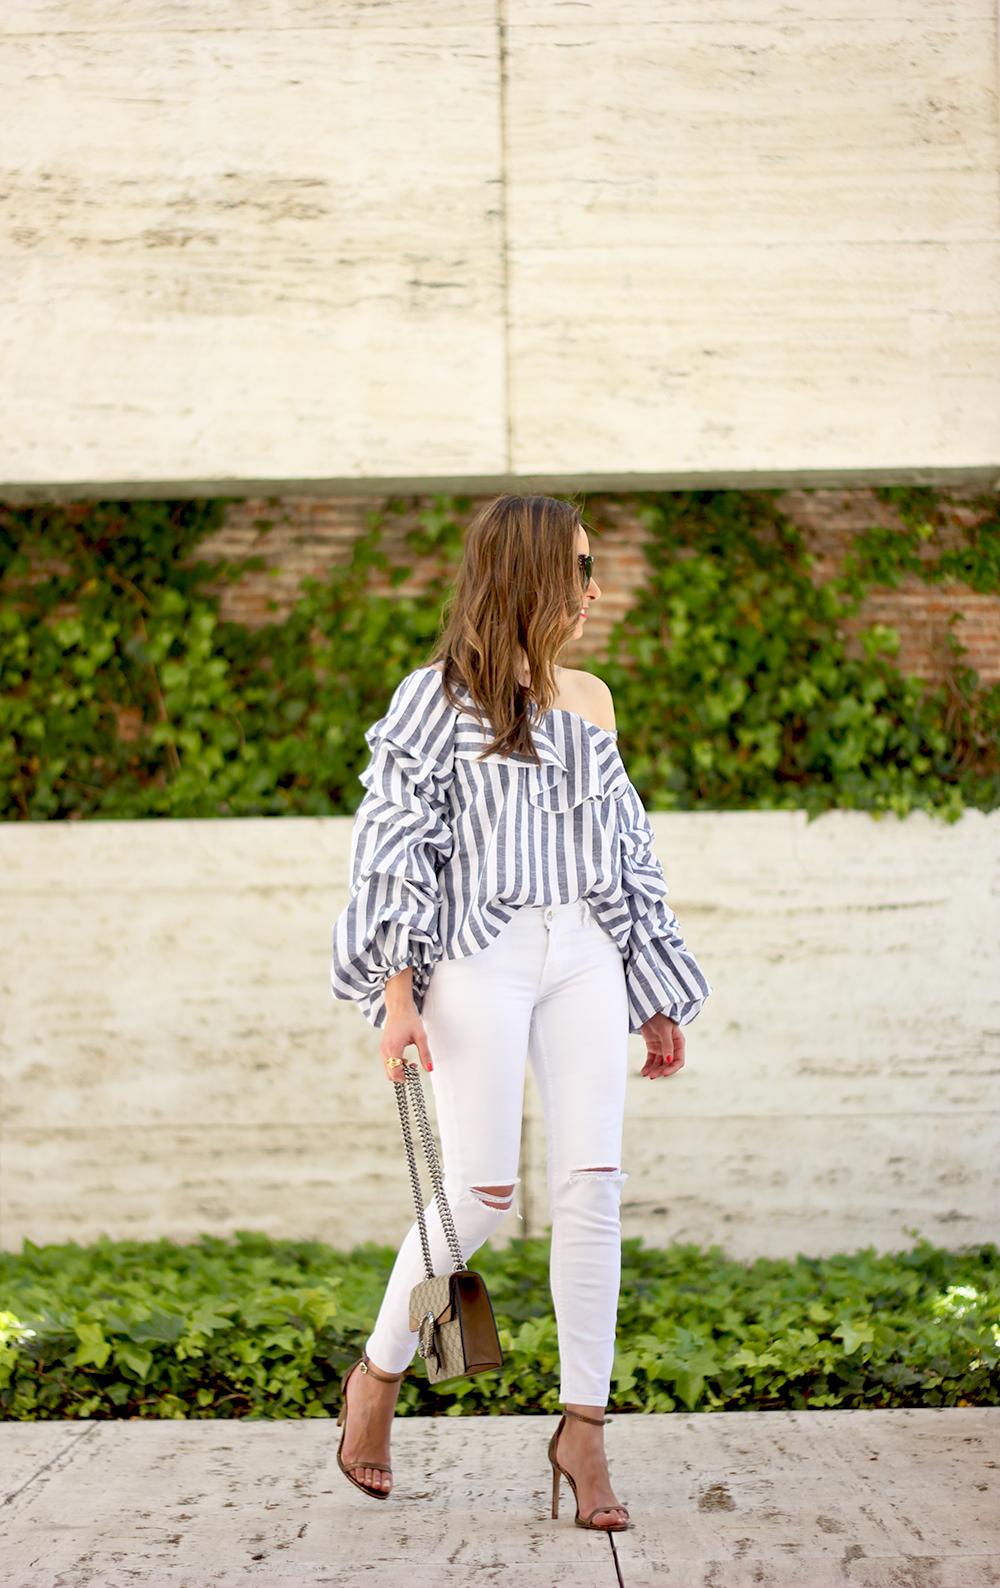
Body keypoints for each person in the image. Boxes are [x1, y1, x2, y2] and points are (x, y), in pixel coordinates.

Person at [331, 494, 709, 1529]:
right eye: (579, 569)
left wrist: (654, 993)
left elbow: (624, 855)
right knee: (484, 1191)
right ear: (529, 576)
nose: (595, 590)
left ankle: (583, 1433)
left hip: (583, 950)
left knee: (594, 1186)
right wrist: (395, 998)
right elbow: (390, 850)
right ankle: (378, 1374)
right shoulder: (432, 700)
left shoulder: (591, 698)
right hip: (475, 956)